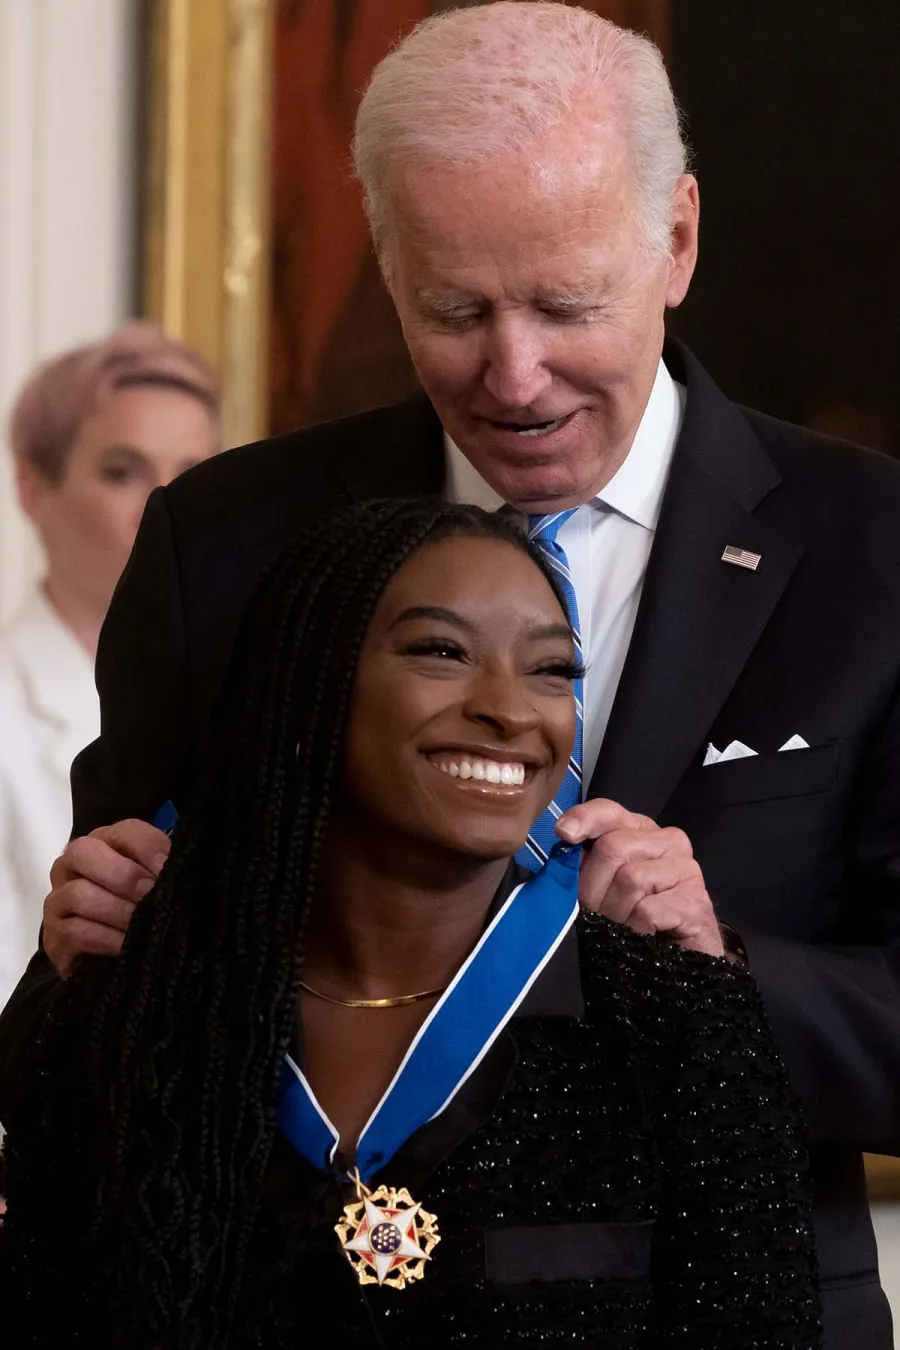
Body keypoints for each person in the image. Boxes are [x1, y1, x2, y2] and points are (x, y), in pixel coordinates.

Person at [0, 4, 896, 1344]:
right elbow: (97, 1021)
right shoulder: (227, 541)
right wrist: (83, 947)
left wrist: (715, 965)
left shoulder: (877, 552)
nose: (514, 376)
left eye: (565, 305)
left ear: (677, 241)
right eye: (455, 309)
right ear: (388, 262)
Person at [0, 500, 820, 1348]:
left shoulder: (678, 1023)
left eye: (551, 669)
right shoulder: (129, 1022)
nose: (511, 710)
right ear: (308, 684)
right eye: (442, 651)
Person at [0, 323, 219, 1009]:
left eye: (193, 477)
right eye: (123, 472)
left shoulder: (244, 697)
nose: (166, 508)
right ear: (33, 490)